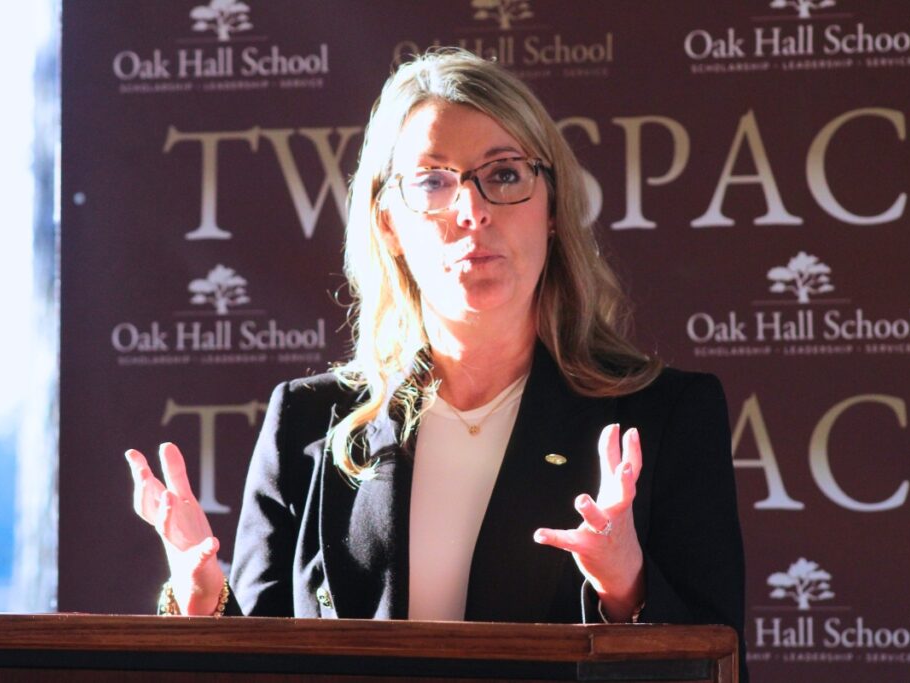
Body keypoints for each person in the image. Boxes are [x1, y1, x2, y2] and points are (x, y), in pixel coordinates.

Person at [125, 46, 746, 670]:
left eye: (505, 174)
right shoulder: (308, 421)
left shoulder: (664, 416)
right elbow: (254, 660)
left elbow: (719, 664)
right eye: (432, 182)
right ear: (388, 224)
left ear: (553, 208)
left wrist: (626, 587)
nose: (472, 211)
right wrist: (199, 601)